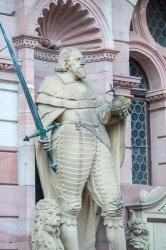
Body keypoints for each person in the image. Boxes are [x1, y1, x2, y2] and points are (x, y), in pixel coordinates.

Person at [35, 47, 130, 250]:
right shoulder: (52, 83)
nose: (82, 63)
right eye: (78, 60)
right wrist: (46, 136)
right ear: (66, 62)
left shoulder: (88, 87)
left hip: (98, 140)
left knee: (114, 207)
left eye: (83, 60)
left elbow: (103, 115)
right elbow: (45, 118)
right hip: (70, 141)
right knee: (69, 207)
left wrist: (116, 108)